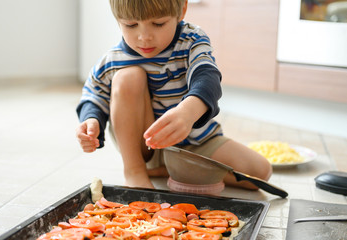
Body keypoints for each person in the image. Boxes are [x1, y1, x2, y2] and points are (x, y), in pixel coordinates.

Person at [76, 0, 272, 189]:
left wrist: (188, 112)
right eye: (131, 25)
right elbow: (93, 95)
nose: (144, 36)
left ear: (182, 10)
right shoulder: (112, 59)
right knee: (128, 77)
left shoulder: (192, 40)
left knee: (260, 172)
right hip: (146, 147)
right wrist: (92, 121)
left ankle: (171, 170)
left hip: (194, 142)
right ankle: (135, 171)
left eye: (158, 24)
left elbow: (207, 76)